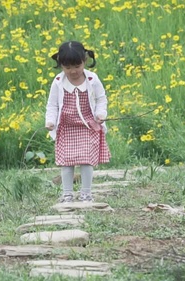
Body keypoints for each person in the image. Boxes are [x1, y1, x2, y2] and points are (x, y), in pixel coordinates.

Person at [45, 41, 111, 203]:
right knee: (66, 162)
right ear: (61, 65)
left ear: (85, 61)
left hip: (88, 126)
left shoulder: (92, 79)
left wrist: (100, 114)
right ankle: (67, 194)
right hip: (66, 127)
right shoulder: (58, 81)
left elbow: (101, 99)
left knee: (87, 160)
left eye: (77, 66)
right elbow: (52, 104)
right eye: (67, 68)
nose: (73, 71)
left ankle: (86, 193)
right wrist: (50, 121)